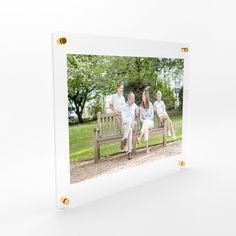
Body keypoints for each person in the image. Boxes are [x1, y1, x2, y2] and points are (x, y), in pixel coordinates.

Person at [120, 92, 138, 160]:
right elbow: (124, 120)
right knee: (129, 130)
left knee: (130, 126)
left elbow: (138, 108)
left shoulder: (134, 105)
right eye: (133, 99)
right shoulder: (123, 107)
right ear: (129, 99)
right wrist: (131, 121)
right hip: (124, 127)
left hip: (132, 125)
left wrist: (137, 110)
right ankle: (129, 153)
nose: (134, 101)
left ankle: (124, 139)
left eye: (134, 99)